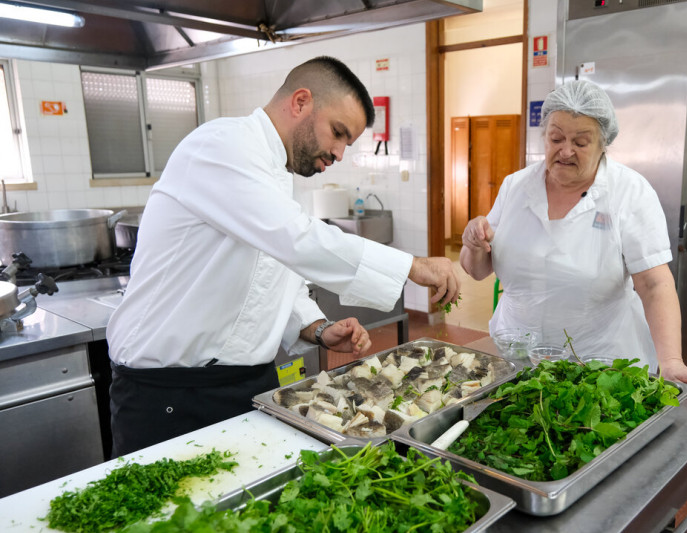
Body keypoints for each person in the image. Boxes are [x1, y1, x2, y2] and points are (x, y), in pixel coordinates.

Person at [106, 56, 460, 457]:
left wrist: (318, 327)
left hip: (248, 385)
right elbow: (297, 239)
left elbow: (272, 269)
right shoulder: (222, 145)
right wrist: (411, 265)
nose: (340, 153)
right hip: (170, 393)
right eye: (338, 133)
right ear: (301, 102)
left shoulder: (275, 174)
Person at [460, 79, 687, 402]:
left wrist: (671, 362)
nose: (565, 151)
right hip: (516, 365)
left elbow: (654, 285)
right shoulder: (515, 187)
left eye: (581, 141)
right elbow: (477, 269)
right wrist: (473, 245)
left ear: (604, 143)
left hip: (599, 372)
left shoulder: (629, 193)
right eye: (556, 138)